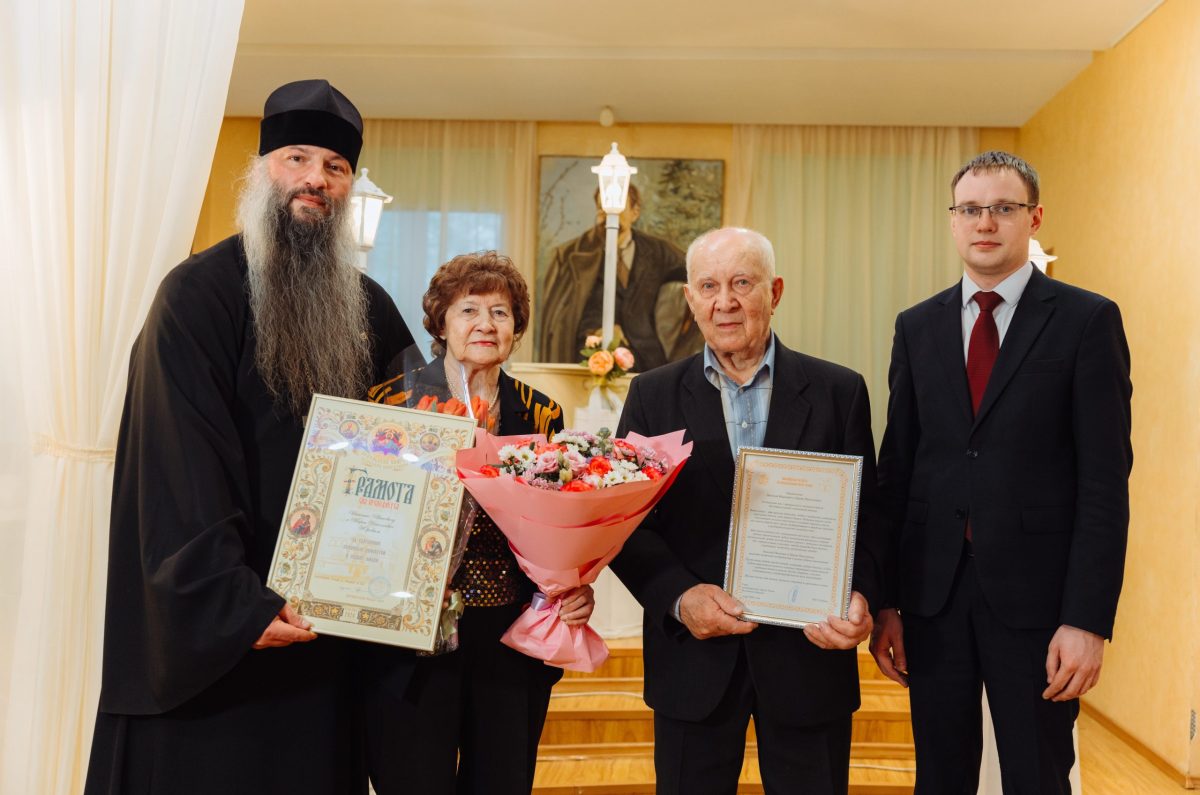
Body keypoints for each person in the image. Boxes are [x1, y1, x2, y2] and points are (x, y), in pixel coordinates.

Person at [83, 79, 415, 794]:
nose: (315, 179)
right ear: (263, 169)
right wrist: (234, 604)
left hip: (324, 640)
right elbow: (175, 463)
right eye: (298, 158)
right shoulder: (196, 295)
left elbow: (420, 447)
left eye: (335, 166)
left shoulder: (372, 310)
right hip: (224, 645)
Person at [870, 151, 1132, 793]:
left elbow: (1104, 484)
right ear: (953, 220)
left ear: (1033, 218)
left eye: (1003, 208)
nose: (984, 223)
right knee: (941, 777)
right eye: (970, 209)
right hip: (932, 600)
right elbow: (898, 471)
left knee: (1037, 777)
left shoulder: (1086, 320)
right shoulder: (917, 326)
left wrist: (1088, 619)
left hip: (1040, 604)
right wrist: (886, 602)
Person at [610, 227, 885, 795]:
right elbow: (626, 523)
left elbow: (871, 516)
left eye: (741, 283)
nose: (725, 302)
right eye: (709, 287)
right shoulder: (652, 396)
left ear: (774, 292)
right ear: (690, 300)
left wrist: (862, 595)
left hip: (810, 657)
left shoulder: (839, 391)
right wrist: (679, 597)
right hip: (694, 661)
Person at [364, 251, 596, 794]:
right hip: (412, 636)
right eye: (468, 310)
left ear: (516, 327)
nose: (485, 324)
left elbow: (562, 521)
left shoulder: (542, 413)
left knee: (502, 780)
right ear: (441, 322)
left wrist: (574, 583)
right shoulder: (390, 400)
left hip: (509, 636)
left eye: (500, 312)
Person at [538, 184, 701, 370]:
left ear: (635, 212)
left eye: (618, 209)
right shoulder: (571, 254)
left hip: (646, 358)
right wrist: (597, 331)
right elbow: (558, 320)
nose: (608, 216)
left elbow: (696, 269)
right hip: (589, 358)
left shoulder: (657, 251)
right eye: (602, 209)